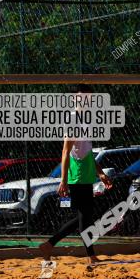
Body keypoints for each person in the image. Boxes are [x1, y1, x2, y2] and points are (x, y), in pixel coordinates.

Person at [39, 84, 112, 266]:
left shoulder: (86, 119)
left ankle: (50, 244)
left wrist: (100, 173)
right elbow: (65, 150)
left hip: (86, 172)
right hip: (77, 173)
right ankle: (89, 255)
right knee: (84, 217)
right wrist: (63, 180)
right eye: (82, 98)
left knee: (84, 217)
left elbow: (87, 150)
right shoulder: (72, 118)